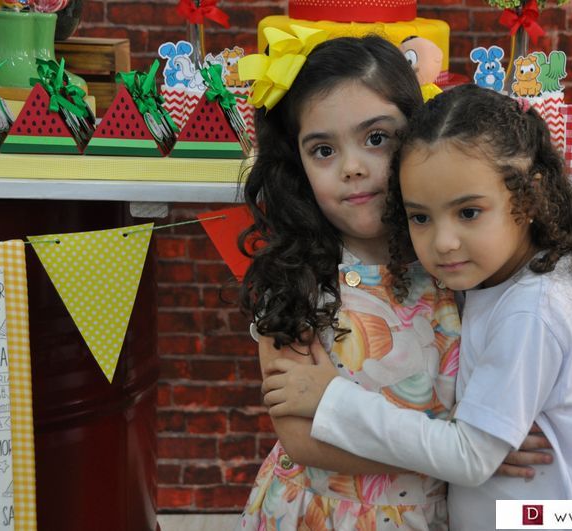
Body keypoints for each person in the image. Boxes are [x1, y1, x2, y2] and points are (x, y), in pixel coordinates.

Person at [261, 85, 572, 530]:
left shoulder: (531, 310)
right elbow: (471, 449)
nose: (443, 242)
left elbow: (470, 457)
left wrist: (333, 399)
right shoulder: (492, 280)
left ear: (529, 199)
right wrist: (465, 443)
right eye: (420, 217)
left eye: (469, 213)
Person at [235, 34, 550, 530]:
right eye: (323, 150)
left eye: (377, 139)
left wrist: (473, 449)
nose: (353, 167)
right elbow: (301, 439)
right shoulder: (296, 277)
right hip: (317, 514)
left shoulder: (455, 262)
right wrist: (469, 453)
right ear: (297, 164)